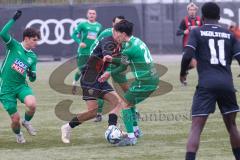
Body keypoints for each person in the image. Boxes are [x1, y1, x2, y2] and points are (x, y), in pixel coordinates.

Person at [180, 2, 240, 160]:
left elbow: (187, 55)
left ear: (203, 18)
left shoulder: (197, 32)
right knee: (232, 126)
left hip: (206, 85)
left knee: (196, 128)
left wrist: (183, 73)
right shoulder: (230, 34)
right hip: (227, 85)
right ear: (219, 17)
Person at [100, 20, 160, 145]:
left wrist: (108, 73)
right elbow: (123, 61)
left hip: (144, 81)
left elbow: (122, 67)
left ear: (122, 34)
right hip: (152, 78)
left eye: (116, 33)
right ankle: (136, 131)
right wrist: (112, 59)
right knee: (130, 103)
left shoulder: (128, 49)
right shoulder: (136, 41)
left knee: (124, 104)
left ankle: (131, 138)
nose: (115, 36)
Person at [61, 27, 125, 144]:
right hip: (89, 78)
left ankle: (112, 129)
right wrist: (116, 59)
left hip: (100, 78)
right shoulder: (108, 41)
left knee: (118, 102)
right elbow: (107, 56)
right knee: (93, 112)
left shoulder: (120, 44)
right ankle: (67, 127)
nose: (122, 37)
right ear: (115, 32)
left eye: (124, 35)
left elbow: (122, 59)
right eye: (121, 34)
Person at [0, 10, 40, 144]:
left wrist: (32, 74)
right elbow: (2, 33)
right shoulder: (13, 46)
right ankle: (18, 134)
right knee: (15, 120)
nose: (36, 43)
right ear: (26, 38)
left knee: (32, 104)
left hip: (21, 86)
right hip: (6, 88)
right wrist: (13, 19)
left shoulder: (33, 57)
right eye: (34, 40)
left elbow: (33, 78)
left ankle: (27, 122)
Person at [90, 15, 127, 122]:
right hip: (104, 63)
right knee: (101, 87)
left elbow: (125, 52)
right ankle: (99, 113)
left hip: (116, 63)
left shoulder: (125, 35)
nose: (119, 25)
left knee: (124, 88)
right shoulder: (106, 33)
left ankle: (133, 110)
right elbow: (94, 46)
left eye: (122, 23)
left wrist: (124, 61)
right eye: (117, 23)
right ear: (113, 24)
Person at [71, 8, 102, 93]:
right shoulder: (83, 25)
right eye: (90, 13)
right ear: (87, 15)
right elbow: (73, 34)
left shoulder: (99, 26)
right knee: (81, 69)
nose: (92, 15)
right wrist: (79, 42)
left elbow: (100, 38)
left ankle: (91, 87)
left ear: (96, 15)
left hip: (93, 52)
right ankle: (74, 83)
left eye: (93, 13)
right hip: (83, 51)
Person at [177, 2, 202, 85]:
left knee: (194, 64)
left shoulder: (200, 20)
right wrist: (184, 31)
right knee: (189, 62)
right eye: (190, 10)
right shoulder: (184, 20)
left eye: (193, 10)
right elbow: (178, 32)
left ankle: (184, 71)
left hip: (197, 46)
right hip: (187, 45)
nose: (192, 11)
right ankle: (183, 79)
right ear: (188, 11)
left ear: (196, 11)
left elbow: (204, 29)